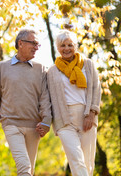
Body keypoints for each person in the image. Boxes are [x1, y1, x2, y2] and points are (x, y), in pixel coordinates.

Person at [0, 29, 52, 176]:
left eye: (38, 44)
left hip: (35, 127)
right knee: (24, 167)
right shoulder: (2, 67)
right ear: (20, 43)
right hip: (11, 124)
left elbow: (45, 98)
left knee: (29, 170)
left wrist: (47, 121)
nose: (36, 47)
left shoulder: (40, 69)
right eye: (33, 43)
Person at [47, 30, 101, 176]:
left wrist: (91, 114)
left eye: (70, 45)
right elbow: (47, 99)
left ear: (75, 46)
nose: (66, 48)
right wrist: (46, 121)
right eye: (63, 45)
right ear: (58, 48)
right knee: (76, 159)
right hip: (64, 120)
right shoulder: (52, 71)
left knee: (88, 163)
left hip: (86, 117)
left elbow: (96, 90)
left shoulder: (88, 65)